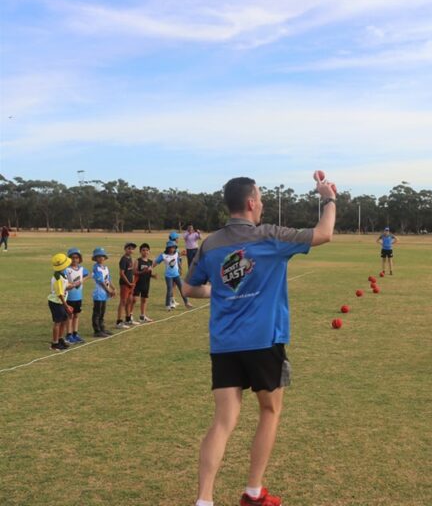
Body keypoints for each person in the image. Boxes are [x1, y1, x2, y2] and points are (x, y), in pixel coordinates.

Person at [183, 174, 337, 506]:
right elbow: (325, 233)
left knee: (223, 422)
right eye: (262, 197)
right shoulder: (270, 236)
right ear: (251, 203)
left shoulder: (210, 244)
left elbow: (189, 288)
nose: (263, 203)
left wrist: (216, 291)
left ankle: (204, 500)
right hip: (264, 342)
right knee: (270, 411)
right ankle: (253, 491)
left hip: (224, 344)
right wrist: (328, 198)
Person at [155, 240, 192, 311]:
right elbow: (156, 262)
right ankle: (167, 305)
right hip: (168, 276)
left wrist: (180, 268)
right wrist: (151, 267)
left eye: (174, 248)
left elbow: (178, 258)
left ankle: (186, 302)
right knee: (170, 290)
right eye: (171, 248)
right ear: (168, 248)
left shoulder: (176, 254)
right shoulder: (164, 255)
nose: (173, 249)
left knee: (182, 288)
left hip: (176, 275)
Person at [64, 247, 89, 344]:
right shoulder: (67, 270)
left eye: (76, 258)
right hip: (69, 297)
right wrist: (73, 284)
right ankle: (68, 335)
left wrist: (83, 280)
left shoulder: (82, 269)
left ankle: (75, 333)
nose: (75, 260)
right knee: (69, 316)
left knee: (76, 315)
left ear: (80, 259)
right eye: (72, 258)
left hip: (78, 297)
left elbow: (88, 274)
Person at [49, 253, 73, 351]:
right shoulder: (58, 277)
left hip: (61, 302)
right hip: (56, 302)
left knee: (64, 320)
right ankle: (55, 343)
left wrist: (71, 285)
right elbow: (60, 294)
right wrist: (66, 305)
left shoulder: (63, 275)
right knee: (57, 322)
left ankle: (60, 339)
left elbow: (64, 287)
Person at [91, 247, 115, 337]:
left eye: (102, 256)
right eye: (98, 256)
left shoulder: (105, 268)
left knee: (102, 311)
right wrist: (108, 290)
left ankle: (102, 328)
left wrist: (113, 288)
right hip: (99, 293)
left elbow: (108, 279)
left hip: (105, 293)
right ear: (95, 258)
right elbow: (101, 281)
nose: (101, 258)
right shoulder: (96, 268)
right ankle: (97, 330)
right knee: (97, 312)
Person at [133, 243, 156, 322]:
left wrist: (153, 275)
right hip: (137, 283)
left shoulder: (150, 262)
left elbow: (149, 273)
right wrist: (142, 271)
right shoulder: (138, 261)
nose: (145, 252)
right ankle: (129, 316)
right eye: (143, 250)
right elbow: (134, 272)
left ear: (149, 251)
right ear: (140, 251)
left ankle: (142, 316)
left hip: (146, 283)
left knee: (144, 300)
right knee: (134, 300)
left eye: (147, 250)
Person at [116, 242, 137, 328]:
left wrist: (132, 282)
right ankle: (119, 321)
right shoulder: (123, 259)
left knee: (129, 301)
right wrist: (128, 282)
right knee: (123, 301)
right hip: (125, 284)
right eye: (129, 248)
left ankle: (128, 319)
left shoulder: (130, 258)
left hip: (130, 284)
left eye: (132, 249)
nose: (130, 250)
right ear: (125, 249)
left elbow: (131, 272)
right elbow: (121, 273)